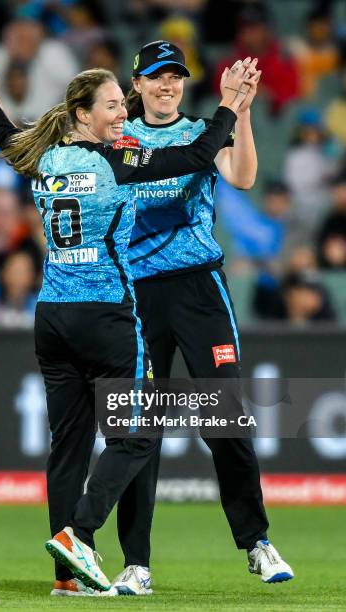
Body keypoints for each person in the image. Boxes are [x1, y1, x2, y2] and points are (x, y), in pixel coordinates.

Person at [0, 47, 253, 594]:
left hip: (51, 317)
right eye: (113, 106)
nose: (123, 114)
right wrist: (230, 107)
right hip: (107, 315)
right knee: (138, 435)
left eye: (123, 104)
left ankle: (67, 579)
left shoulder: (43, 157)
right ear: (82, 115)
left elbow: (3, 135)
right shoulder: (114, 161)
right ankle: (79, 536)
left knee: (67, 444)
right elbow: (194, 157)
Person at [109, 40, 294, 594]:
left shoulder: (200, 130)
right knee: (140, 427)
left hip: (200, 290)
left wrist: (243, 109)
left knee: (225, 417)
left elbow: (241, 177)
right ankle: (136, 564)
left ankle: (257, 543)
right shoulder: (117, 141)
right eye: (157, 78)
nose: (167, 86)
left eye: (175, 77)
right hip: (138, 293)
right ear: (136, 85)